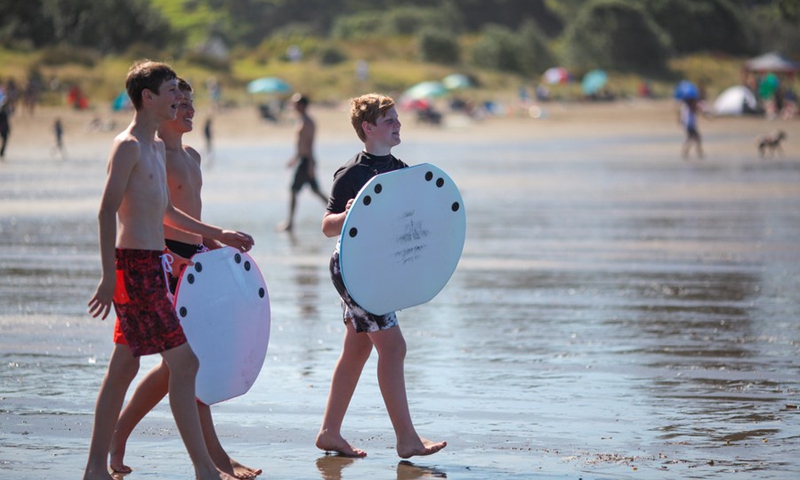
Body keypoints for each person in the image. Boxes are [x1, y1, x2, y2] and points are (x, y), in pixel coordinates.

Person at [84, 60, 253, 480]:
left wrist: (217, 235)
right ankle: (204, 467)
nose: (181, 99)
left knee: (125, 367)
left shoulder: (153, 149)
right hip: (135, 267)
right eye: (173, 92)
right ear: (149, 97)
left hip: (151, 265)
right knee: (186, 363)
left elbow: (166, 210)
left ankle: (95, 468)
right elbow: (107, 211)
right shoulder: (128, 146)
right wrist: (109, 276)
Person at [315, 93, 447, 459]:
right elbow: (327, 227)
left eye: (396, 118)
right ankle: (407, 438)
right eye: (388, 119)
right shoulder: (352, 172)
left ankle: (329, 432)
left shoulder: (401, 170)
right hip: (356, 270)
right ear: (367, 128)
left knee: (357, 348)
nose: (397, 123)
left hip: (382, 267)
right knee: (394, 347)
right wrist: (352, 213)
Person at [278, 93, 327, 232]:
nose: (293, 106)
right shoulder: (302, 120)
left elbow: (309, 144)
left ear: (302, 105)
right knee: (315, 190)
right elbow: (301, 144)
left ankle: (290, 223)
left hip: (307, 161)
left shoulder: (308, 122)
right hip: (303, 160)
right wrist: (295, 158)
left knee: (295, 190)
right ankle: (338, 213)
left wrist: (310, 164)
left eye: (295, 103)